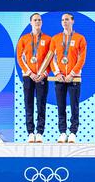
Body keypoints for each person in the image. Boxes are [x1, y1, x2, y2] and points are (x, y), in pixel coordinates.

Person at [50, 13, 87, 143]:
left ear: (72, 21)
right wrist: (57, 73)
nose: (64, 22)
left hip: (74, 78)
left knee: (74, 106)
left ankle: (73, 132)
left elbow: (82, 58)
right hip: (60, 78)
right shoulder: (55, 39)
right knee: (61, 105)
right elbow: (51, 58)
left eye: (67, 19)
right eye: (62, 20)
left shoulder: (80, 38)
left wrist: (72, 73)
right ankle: (62, 132)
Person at [16, 13, 52, 143]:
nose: (37, 22)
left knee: (41, 104)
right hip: (28, 76)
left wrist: (44, 73)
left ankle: (40, 132)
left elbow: (51, 58)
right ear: (30, 22)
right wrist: (29, 72)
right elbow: (19, 57)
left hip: (42, 76)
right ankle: (30, 132)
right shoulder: (24, 39)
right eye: (35, 20)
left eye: (39, 20)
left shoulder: (48, 39)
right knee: (28, 103)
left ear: (41, 23)